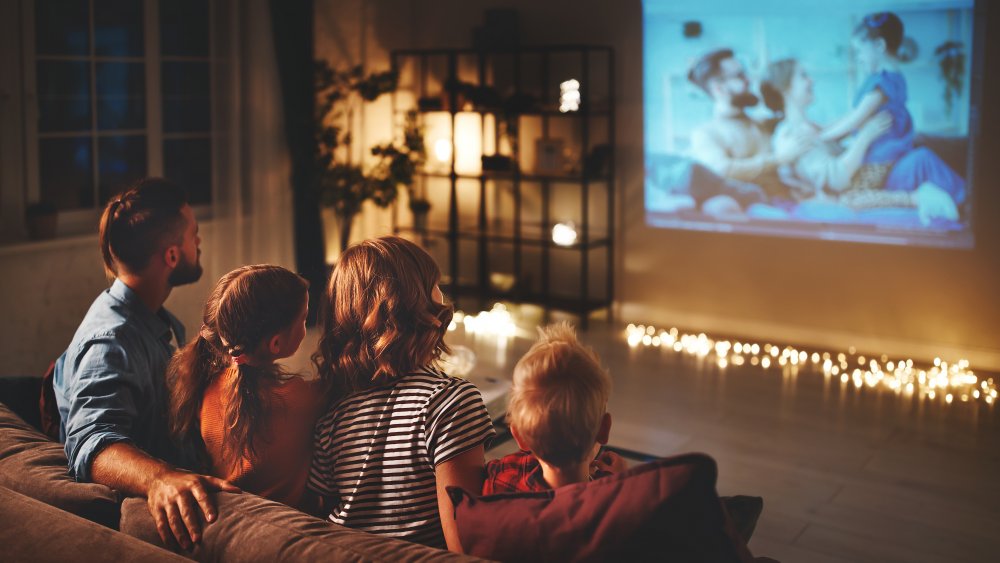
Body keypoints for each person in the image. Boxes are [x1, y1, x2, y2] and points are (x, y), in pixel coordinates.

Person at [53, 178, 238, 551]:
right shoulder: (111, 341)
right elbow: (92, 441)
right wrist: (160, 479)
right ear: (171, 256)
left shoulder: (148, 318)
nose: (198, 243)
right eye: (193, 235)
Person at [308, 236, 496, 552]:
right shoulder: (451, 402)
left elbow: (321, 511)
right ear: (416, 302)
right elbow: (465, 544)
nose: (442, 294)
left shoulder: (331, 411)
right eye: (435, 284)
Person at [168, 265, 320, 511]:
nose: (305, 324)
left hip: (234, 516)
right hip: (285, 523)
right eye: (303, 319)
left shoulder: (206, 388)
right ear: (276, 343)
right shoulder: (302, 399)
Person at [762, 57, 960, 225]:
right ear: (785, 88)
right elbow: (836, 180)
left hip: (861, 184)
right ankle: (968, 208)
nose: (811, 80)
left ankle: (968, 205)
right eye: (803, 75)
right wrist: (866, 136)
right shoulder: (793, 135)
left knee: (920, 156)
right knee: (922, 161)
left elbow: (843, 125)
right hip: (850, 195)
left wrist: (861, 123)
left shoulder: (810, 126)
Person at [819, 12, 965, 204]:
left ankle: (959, 199)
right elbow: (851, 116)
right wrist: (823, 129)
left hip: (880, 160)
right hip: (891, 154)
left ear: (879, 46)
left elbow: (855, 118)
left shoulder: (882, 85)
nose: (859, 58)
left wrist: (820, 137)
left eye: (860, 51)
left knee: (850, 194)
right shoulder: (893, 78)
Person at [482, 322, 627, 495]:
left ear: (519, 436)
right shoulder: (611, 498)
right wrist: (622, 481)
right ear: (604, 428)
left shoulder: (502, 477)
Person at [688, 48, 811, 208]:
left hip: (791, 203)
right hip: (757, 213)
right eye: (740, 76)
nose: (748, 80)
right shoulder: (706, 133)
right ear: (719, 88)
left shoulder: (763, 124)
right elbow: (722, 169)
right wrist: (779, 159)